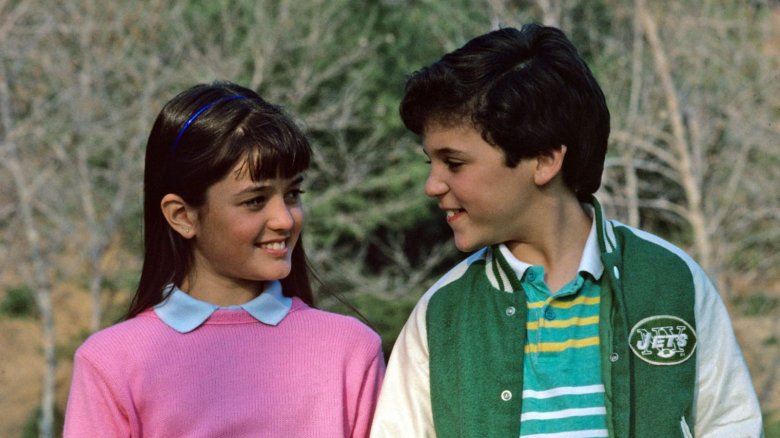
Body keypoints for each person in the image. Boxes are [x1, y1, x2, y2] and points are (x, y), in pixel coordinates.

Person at [370, 24, 763, 437]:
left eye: (454, 163)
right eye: (428, 164)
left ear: (544, 160)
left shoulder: (670, 281)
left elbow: (731, 423)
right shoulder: (441, 315)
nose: (432, 185)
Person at [63, 82, 384, 437]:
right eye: (255, 201)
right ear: (182, 216)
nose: (285, 219)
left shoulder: (352, 351)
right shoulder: (112, 363)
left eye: (292, 194)